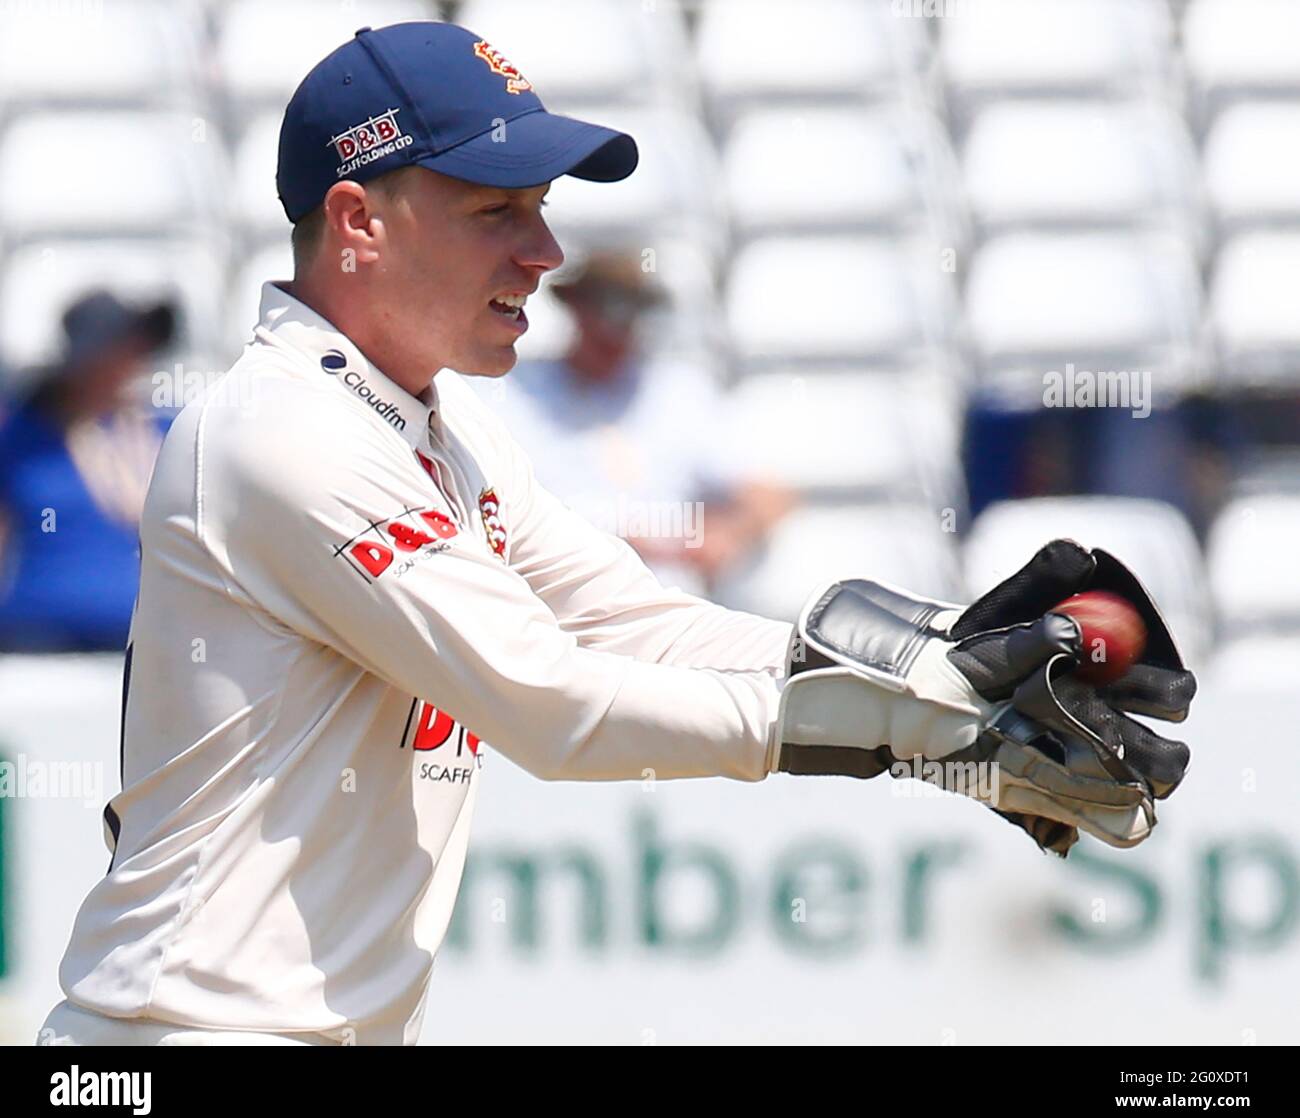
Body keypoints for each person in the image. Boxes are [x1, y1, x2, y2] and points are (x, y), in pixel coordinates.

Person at [39, 22, 1195, 1047]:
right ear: (358, 222)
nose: (541, 254)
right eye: (497, 211)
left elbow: (634, 626)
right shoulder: (281, 427)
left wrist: (944, 656)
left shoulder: (444, 429)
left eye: (540, 210)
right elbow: (554, 703)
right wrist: (908, 731)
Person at [469, 248, 796, 593]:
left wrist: (728, 532)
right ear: (576, 310)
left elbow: (771, 494)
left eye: (630, 313)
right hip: (551, 593)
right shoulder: (514, 391)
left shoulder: (677, 392)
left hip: (665, 602)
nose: (616, 330)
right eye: (606, 310)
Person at [0, 290, 175, 652]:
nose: (123, 362)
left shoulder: (163, 431)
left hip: (141, 642)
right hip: (35, 637)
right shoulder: (25, 436)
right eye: (112, 351)